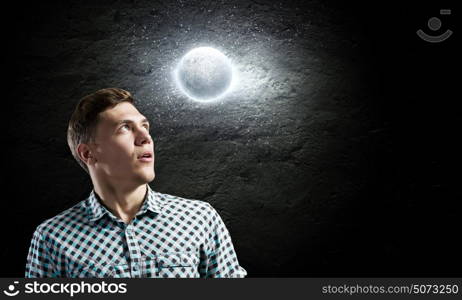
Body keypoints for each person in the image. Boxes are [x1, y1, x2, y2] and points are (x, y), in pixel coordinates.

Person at [25, 88, 247, 278]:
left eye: (145, 126)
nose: (145, 137)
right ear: (88, 153)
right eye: (125, 128)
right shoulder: (52, 238)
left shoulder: (199, 218)